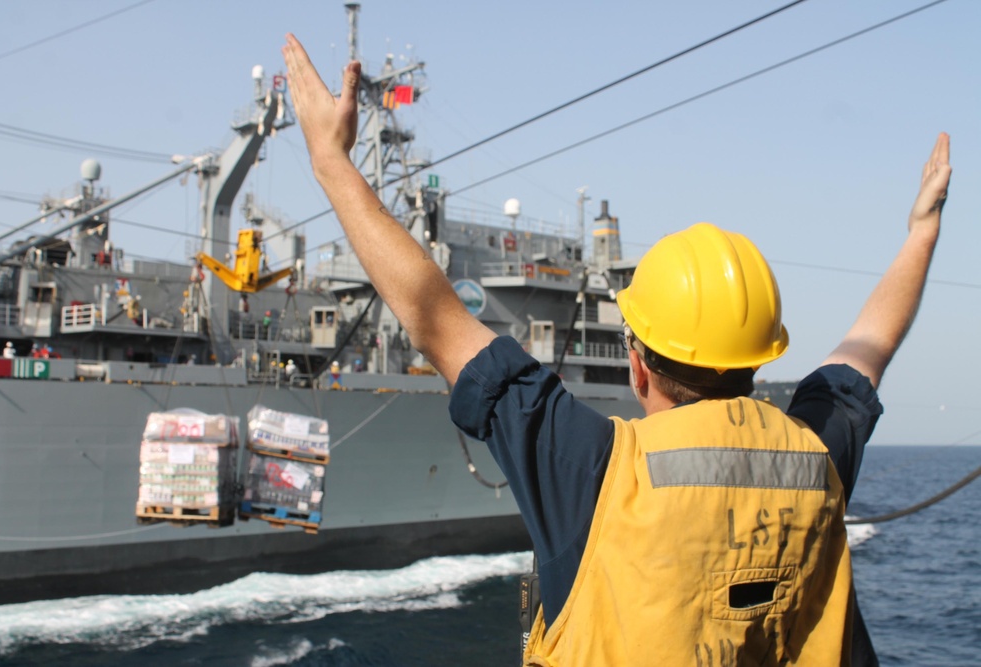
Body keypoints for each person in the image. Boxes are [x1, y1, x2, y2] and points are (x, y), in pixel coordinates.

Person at [282, 33, 951, 666]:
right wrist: (921, 233)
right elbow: (870, 347)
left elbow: (434, 317)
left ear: (636, 362)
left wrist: (329, 159)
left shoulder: (594, 470)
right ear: (759, 355)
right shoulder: (818, 456)